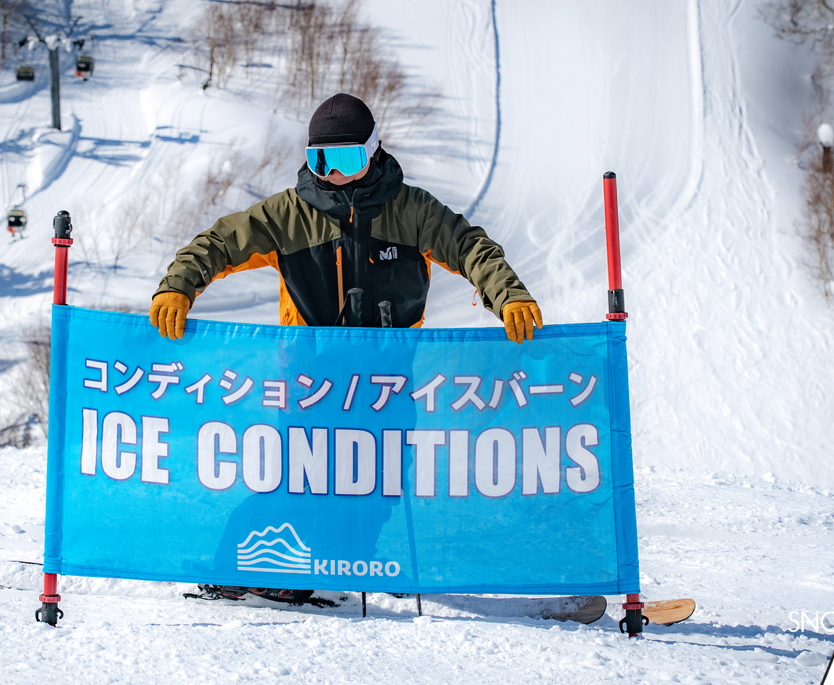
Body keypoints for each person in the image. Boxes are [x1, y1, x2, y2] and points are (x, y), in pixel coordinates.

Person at [148, 93, 543, 604]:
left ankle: (329, 571)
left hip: (385, 384)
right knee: (296, 481)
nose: (332, 174)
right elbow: (220, 242)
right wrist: (180, 284)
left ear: (373, 152)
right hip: (314, 382)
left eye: (346, 160)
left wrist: (506, 293)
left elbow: (469, 247)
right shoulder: (288, 216)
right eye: (320, 160)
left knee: (373, 490)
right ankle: (237, 569)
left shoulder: (411, 211)